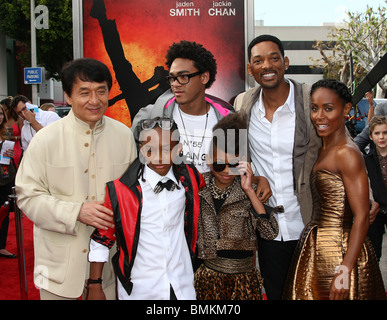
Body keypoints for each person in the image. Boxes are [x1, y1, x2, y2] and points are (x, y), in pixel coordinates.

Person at [15, 58, 137, 300]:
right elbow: (27, 197)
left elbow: (133, 196)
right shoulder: (45, 140)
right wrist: (75, 212)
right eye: (84, 93)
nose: (94, 100)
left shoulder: (124, 136)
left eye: (101, 91)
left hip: (109, 272)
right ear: (68, 97)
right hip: (58, 272)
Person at [235, 34, 321, 300]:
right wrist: (256, 175)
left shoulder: (310, 100)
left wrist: (369, 195)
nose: (267, 66)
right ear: (250, 70)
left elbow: (342, 144)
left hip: (310, 222)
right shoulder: (242, 104)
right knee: (275, 293)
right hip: (268, 227)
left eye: (274, 58)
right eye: (258, 61)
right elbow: (238, 156)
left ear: (284, 62)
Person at [283, 79, 385, 300]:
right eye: (315, 108)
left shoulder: (346, 153)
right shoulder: (326, 148)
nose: (319, 116)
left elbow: (361, 216)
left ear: (346, 109)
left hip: (341, 252)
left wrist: (345, 269)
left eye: (328, 108)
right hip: (319, 248)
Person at [132, 40, 271, 200]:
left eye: (183, 77)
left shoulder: (227, 118)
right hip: (169, 212)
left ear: (204, 77)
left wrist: (257, 180)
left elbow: (236, 170)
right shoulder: (152, 117)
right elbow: (136, 167)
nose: (175, 84)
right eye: (172, 78)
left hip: (213, 214)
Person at [87, 117, 204, 300]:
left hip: (182, 285)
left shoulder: (190, 178)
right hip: (140, 289)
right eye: (149, 150)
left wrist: (254, 180)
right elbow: (102, 237)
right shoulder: (121, 191)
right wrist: (95, 285)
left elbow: (219, 180)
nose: (158, 157)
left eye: (167, 149)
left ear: (178, 149)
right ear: (141, 150)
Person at [194, 112, 278, 300]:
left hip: (243, 284)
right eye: (218, 164)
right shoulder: (198, 188)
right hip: (207, 282)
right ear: (208, 159)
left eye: (232, 164)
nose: (225, 171)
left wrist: (249, 190)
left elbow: (270, 232)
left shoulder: (251, 190)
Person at [364, 116, 387, 262]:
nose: (382, 137)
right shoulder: (366, 160)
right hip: (376, 210)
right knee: (373, 253)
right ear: (371, 137)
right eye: (377, 133)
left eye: (385, 132)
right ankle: (375, 284)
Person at [0, 103, 17, 259]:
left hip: (5, 177)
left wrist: (10, 153)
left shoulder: (5, 133)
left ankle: (1, 246)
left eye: (0, 113)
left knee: (4, 213)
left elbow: (7, 156)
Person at [0, 97, 23, 167]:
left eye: (1, 114)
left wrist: (10, 154)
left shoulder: (4, 131)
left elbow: (24, 136)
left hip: (6, 169)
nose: (0, 117)